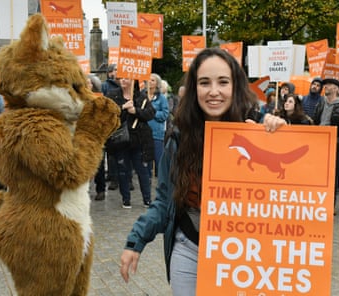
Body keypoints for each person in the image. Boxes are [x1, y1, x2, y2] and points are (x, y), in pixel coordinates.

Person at [119, 48, 286, 295]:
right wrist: (136, 240)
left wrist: (281, 135)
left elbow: (284, 196)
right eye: (204, 82)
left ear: (236, 87)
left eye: (223, 82)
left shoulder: (258, 133)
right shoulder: (178, 140)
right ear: (195, 88)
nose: (214, 91)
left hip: (242, 254)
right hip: (189, 249)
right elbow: (165, 201)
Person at [106, 78, 155, 208]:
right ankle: (125, 199)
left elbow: (150, 114)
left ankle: (147, 199)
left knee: (142, 171)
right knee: (123, 171)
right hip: (121, 140)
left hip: (139, 141)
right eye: (121, 77)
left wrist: (136, 111)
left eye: (126, 78)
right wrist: (122, 108)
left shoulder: (141, 96)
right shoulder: (113, 95)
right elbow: (107, 113)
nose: (123, 80)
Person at [313, 78, 339, 207]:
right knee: (317, 173)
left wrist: (336, 142)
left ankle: (330, 204)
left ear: (336, 89)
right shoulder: (320, 103)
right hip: (319, 144)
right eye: (325, 85)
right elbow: (315, 121)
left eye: (329, 85)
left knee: (332, 175)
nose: (326, 87)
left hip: (334, 146)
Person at [144, 73, 169, 178]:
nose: (150, 81)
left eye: (153, 80)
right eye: (148, 80)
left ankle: (160, 180)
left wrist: (152, 112)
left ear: (157, 83)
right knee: (146, 160)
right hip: (144, 133)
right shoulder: (142, 96)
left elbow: (165, 114)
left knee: (158, 158)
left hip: (156, 133)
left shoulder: (161, 98)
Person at [102, 64, 121, 191]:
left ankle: (124, 178)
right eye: (115, 70)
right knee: (112, 153)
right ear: (110, 73)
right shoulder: (106, 86)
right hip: (110, 123)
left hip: (122, 123)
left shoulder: (125, 84)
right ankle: (113, 177)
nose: (118, 72)